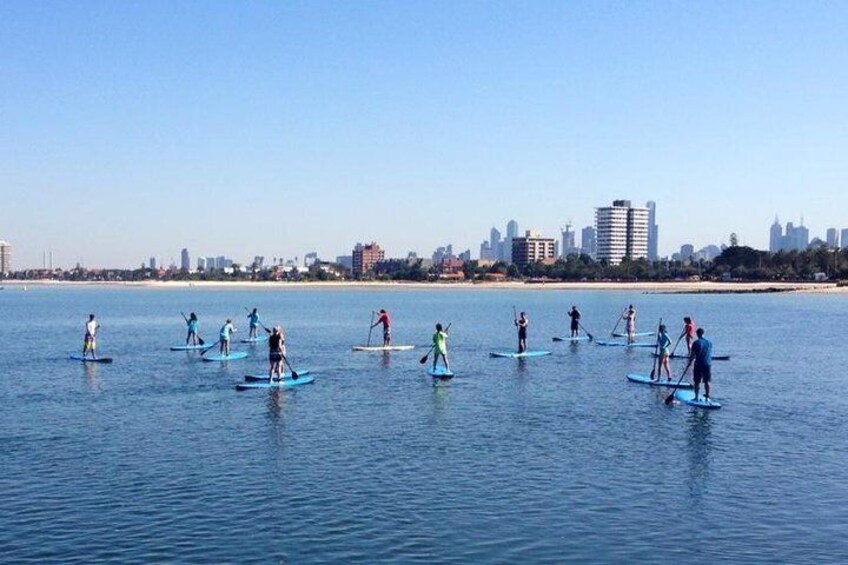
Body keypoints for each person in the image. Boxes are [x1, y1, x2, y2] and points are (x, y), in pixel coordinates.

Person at [686, 328, 713, 402]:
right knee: (707, 381)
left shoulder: (696, 343)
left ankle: (696, 397)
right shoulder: (709, 343)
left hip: (698, 364)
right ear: (703, 333)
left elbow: (692, 355)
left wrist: (689, 363)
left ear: (697, 334)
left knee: (697, 381)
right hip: (708, 363)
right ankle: (707, 397)